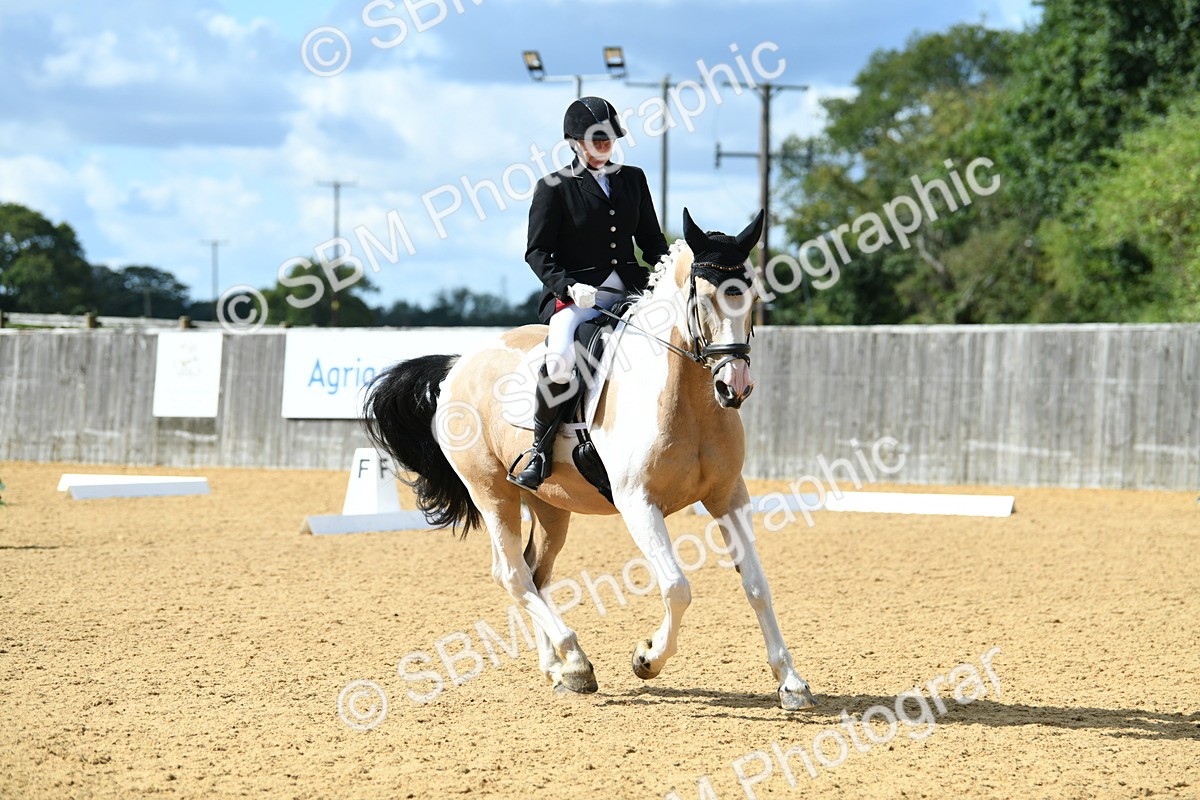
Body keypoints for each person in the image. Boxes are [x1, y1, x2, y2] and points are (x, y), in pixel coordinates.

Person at [512, 96, 670, 491]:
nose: (605, 145)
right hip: (579, 296)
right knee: (561, 358)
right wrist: (567, 286)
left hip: (631, 289)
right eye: (597, 139)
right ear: (576, 142)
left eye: (609, 138)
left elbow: (651, 240)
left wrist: (669, 275)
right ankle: (541, 450)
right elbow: (537, 251)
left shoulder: (633, 179)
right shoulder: (554, 187)